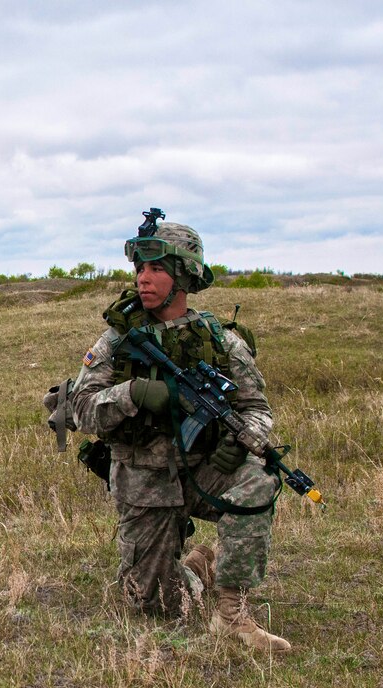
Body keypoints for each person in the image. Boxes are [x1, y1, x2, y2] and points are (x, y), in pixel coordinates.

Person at [69, 211, 289, 652]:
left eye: (156, 269)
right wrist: (132, 393)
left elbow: (256, 408)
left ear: (183, 276)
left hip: (204, 471)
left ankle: (231, 616)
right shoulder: (116, 341)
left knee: (260, 480)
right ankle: (195, 569)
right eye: (140, 268)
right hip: (144, 480)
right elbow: (80, 411)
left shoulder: (222, 341)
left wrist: (242, 439)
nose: (143, 279)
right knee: (150, 604)